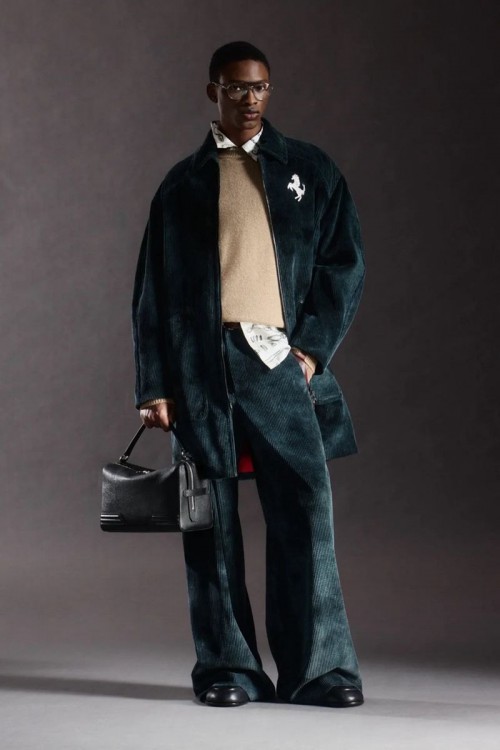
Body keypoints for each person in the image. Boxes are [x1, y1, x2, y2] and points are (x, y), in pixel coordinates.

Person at [132, 41, 366, 708]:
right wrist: (155, 385)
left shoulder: (310, 171)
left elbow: (344, 264)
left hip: (277, 361)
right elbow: (151, 291)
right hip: (200, 369)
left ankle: (319, 669)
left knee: (306, 509)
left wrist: (312, 350)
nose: (250, 98)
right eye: (236, 88)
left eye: (259, 87)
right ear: (214, 92)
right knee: (209, 521)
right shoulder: (181, 186)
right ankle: (227, 668)